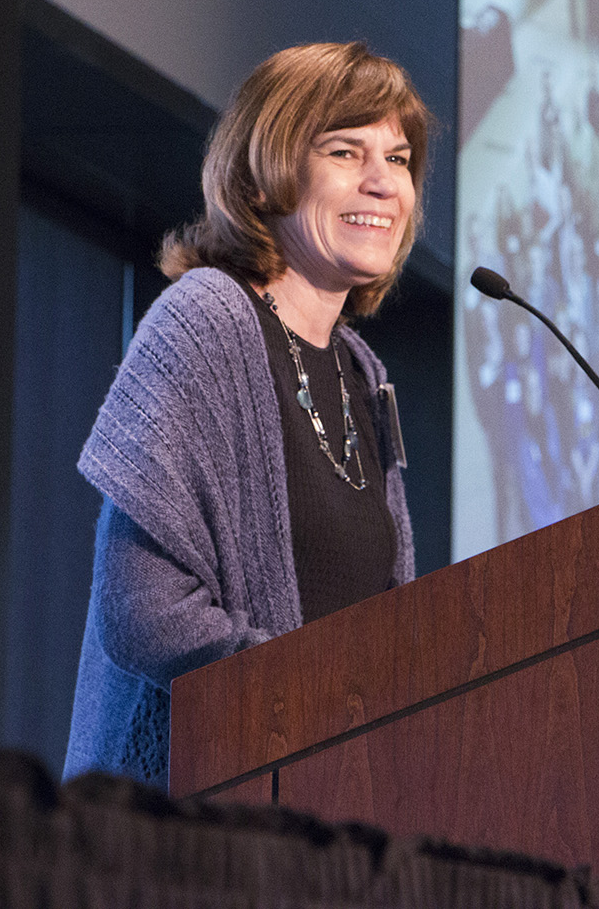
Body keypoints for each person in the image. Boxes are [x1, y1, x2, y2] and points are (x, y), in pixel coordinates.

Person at [63, 42, 430, 789]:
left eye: (398, 159)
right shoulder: (203, 320)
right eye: (345, 151)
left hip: (327, 818)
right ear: (267, 173)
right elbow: (145, 613)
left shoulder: (364, 374)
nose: (382, 182)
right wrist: (319, 694)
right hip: (185, 824)